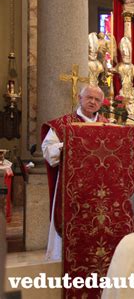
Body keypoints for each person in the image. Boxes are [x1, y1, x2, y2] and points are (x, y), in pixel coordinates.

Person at [41, 85, 107, 260]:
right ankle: (62, 259)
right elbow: (48, 150)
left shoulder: (108, 126)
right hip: (70, 187)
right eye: (89, 98)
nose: (93, 102)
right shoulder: (62, 124)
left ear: (101, 103)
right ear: (80, 98)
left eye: (97, 99)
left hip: (98, 189)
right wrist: (70, 143)